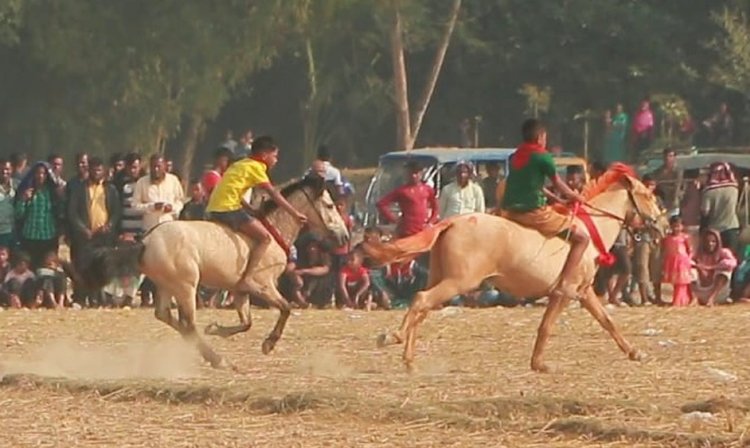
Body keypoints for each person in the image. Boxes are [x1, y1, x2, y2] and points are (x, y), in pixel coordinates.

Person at [500, 119, 588, 297]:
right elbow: (557, 181)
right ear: (540, 137)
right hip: (532, 211)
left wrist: (558, 200)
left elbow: (538, 185)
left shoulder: (517, 155)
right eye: (545, 136)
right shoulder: (543, 156)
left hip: (509, 209)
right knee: (581, 239)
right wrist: (575, 196)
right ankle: (565, 283)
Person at [206, 136, 307, 284]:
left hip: (214, 207)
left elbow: (234, 191)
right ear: (264, 155)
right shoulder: (257, 167)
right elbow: (273, 193)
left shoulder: (240, 164)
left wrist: (250, 209)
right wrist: (294, 213)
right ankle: (248, 278)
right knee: (265, 238)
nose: (276, 160)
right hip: (228, 209)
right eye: (275, 156)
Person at [376, 160, 438, 238]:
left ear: (421, 173)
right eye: (410, 173)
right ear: (407, 174)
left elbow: (435, 207)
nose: (414, 176)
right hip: (407, 231)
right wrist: (394, 219)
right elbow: (381, 204)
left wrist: (431, 222)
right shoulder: (402, 191)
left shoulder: (427, 189)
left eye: (416, 173)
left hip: (423, 230)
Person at [701, 162, 740, 256]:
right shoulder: (733, 189)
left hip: (715, 230)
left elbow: (705, 212)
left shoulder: (708, 192)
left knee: (716, 257)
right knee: (731, 257)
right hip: (731, 227)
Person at [692, 229, 737, 306]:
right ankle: (694, 298)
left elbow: (733, 263)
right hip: (700, 290)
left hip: (718, 293)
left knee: (725, 272)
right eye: (707, 241)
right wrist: (697, 267)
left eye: (713, 241)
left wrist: (713, 267)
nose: (710, 244)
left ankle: (711, 299)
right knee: (690, 271)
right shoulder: (697, 253)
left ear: (718, 242)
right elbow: (687, 260)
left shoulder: (724, 252)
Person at [662, 215, 694, 306]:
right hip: (672, 261)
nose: (676, 228)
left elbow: (690, 249)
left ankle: (678, 300)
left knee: (682, 282)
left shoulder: (685, 237)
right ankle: (681, 299)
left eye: (678, 226)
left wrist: (689, 259)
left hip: (682, 261)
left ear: (682, 226)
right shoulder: (667, 238)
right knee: (676, 282)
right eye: (674, 226)